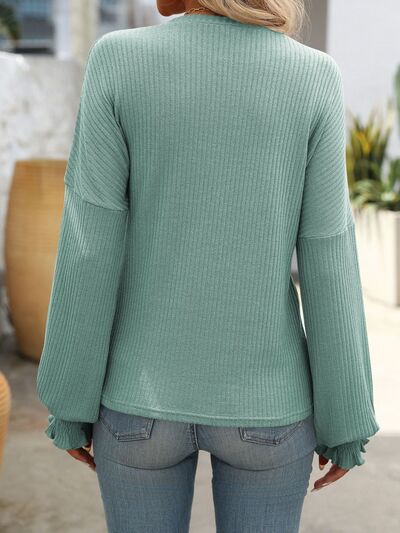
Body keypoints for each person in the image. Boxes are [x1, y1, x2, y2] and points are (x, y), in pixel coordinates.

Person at [36, 0, 380, 531]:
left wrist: (69, 401)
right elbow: (327, 251)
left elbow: (91, 240)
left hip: (138, 405)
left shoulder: (119, 60)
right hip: (267, 408)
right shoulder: (313, 76)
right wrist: (346, 420)